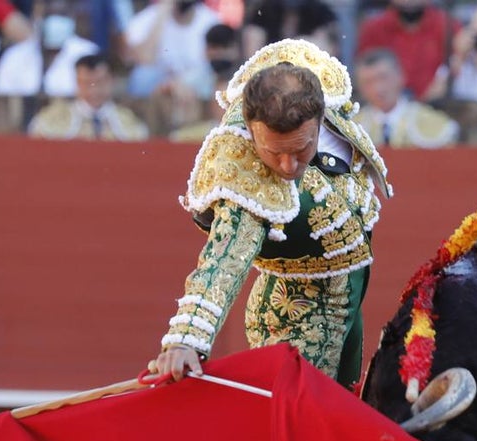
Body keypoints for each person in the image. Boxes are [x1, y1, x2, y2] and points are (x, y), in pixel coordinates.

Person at [153, 39, 392, 389]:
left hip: (347, 302)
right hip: (292, 316)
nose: (287, 166)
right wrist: (185, 339)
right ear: (252, 130)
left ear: (320, 115)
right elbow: (223, 260)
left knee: (343, 410)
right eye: (273, 152)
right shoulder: (245, 173)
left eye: (301, 149)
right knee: (301, 428)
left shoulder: (312, 87)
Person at [28, 53, 150, 139]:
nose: (94, 90)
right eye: (86, 83)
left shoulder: (130, 122)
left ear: (111, 81)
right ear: (77, 83)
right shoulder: (52, 118)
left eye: (100, 82)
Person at [353, 47, 458, 147]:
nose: (378, 88)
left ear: (401, 76)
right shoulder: (353, 126)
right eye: (368, 82)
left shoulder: (432, 121)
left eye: (383, 78)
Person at [0, 0, 100, 97]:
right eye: (48, 15)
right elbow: (2, 99)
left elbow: (97, 96)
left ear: (71, 16)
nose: (55, 20)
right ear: (36, 16)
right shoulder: (14, 57)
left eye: (61, 14)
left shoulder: (88, 53)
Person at [355, 0, 458, 100]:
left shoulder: (447, 25)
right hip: (385, 107)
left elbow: (458, 65)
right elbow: (364, 74)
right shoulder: (373, 28)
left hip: (438, 104)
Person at [124, 0, 221, 98]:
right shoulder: (147, 17)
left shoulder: (211, 21)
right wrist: (163, 11)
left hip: (196, 85)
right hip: (159, 83)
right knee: (142, 76)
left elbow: (215, 67)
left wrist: (181, 83)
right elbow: (144, 59)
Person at [242, 0, 340, 57]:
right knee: (253, 34)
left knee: (317, 43)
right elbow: (252, 40)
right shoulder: (266, 9)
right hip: (271, 63)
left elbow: (332, 47)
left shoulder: (320, 12)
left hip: (307, 65)